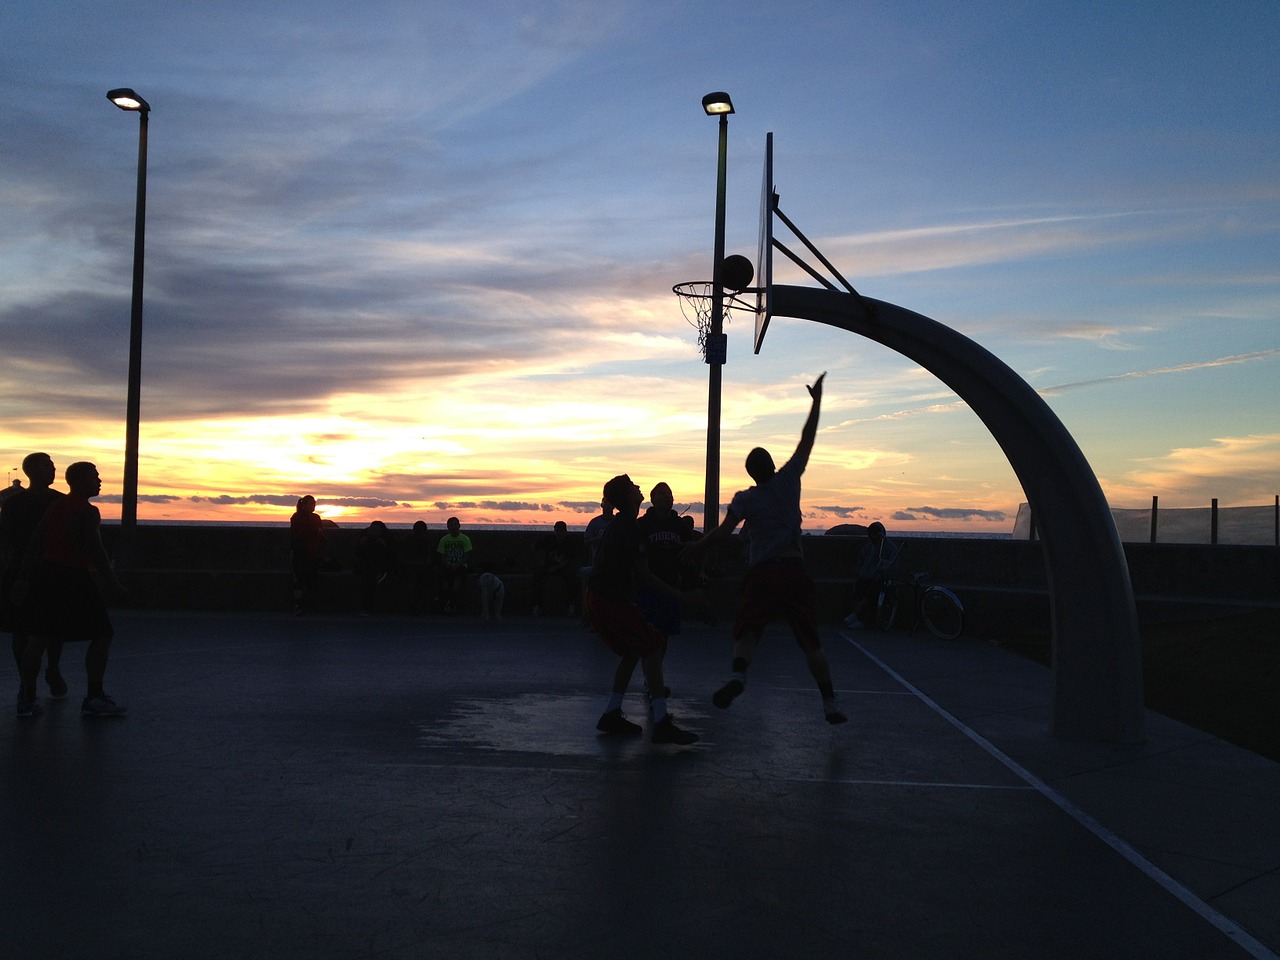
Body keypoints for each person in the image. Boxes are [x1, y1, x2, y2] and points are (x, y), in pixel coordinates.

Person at [683, 373, 847, 725]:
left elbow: (722, 534)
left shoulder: (746, 499)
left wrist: (696, 550)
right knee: (810, 641)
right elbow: (807, 440)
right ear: (773, 465)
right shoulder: (790, 479)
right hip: (793, 570)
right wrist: (816, 402)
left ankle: (739, 676)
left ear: (750, 473)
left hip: (761, 573)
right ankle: (830, 701)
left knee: (749, 630)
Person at [586, 473, 702, 745]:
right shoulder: (630, 528)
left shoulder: (622, 525)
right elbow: (644, 575)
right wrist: (682, 596)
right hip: (609, 601)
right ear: (629, 498)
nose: (639, 488)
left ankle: (612, 713)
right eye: (634, 487)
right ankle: (661, 722)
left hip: (601, 598)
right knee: (650, 647)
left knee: (632, 651)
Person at [12, 461, 126, 718]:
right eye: (94, 476)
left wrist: (23, 578)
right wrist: (113, 582)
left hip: (46, 576)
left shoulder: (55, 506)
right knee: (102, 633)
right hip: (74, 577)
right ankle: (94, 696)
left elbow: (35, 543)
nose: (99, 480)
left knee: (38, 637)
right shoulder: (87, 511)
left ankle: (26, 697)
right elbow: (96, 551)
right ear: (80, 480)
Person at [0, 452, 67, 696]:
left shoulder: (59, 501)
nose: (53, 470)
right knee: (22, 628)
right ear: (32, 471)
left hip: (52, 568)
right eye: (48, 466)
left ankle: (52, 668)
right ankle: (26, 680)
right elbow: (6, 540)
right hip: (25, 570)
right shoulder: (15, 504)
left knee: (54, 626)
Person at [636, 482, 699, 641]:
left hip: (672, 584)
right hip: (647, 588)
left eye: (669, 494)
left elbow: (689, 554)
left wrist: (692, 582)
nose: (667, 497)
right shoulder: (642, 525)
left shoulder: (680, 525)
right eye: (662, 493)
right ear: (653, 499)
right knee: (647, 634)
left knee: (664, 635)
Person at [847, 521, 900, 628]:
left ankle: (858, 616)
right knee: (858, 588)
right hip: (866, 576)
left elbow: (893, 565)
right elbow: (861, 561)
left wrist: (883, 569)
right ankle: (857, 616)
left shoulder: (890, 547)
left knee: (871, 591)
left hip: (881, 578)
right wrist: (860, 571)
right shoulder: (868, 547)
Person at [532, 520, 579, 616]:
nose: (559, 533)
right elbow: (534, 547)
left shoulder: (569, 543)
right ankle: (537, 605)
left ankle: (571, 605)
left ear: (565, 532)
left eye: (561, 531)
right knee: (536, 578)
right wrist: (540, 561)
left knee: (572, 579)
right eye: (557, 531)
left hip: (562, 567)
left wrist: (556, 568)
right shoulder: (549, 540)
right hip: (548, 565)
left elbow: (569, 560)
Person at [289, 495, 326, 615]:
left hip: (314, 552)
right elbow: (298, 534)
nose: (312, 506)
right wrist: (314, 532)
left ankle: (309, 604)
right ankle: (298, 605)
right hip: (300, 552)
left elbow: (320, 532)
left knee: (311, 579)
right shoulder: (297, 517)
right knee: (299, 579)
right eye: (310, 504)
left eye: (313, 503)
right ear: (303, 505)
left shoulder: (316, 517)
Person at [354, 520, 392, 616]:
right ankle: (367, 607)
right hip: (367, 566)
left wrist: (383, 545)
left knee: (371, 581)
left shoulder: (386, 539)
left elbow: (390, 556)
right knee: (369, 581)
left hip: (380, 566)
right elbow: (358, 554)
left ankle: (367, 607)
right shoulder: (364, 539)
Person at [435, 517, 472, 613]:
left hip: (461, 566)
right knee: (444, 580)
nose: (453, 527)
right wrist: (448, 564)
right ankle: (448, 601)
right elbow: (441, 555)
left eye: (455, 524)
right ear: (448, 527)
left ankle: (451, 602)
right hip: (447, 565)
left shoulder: (465, 539)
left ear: (459, 526)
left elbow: (467, 555)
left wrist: (458, 564)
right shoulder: (444, 539)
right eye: (451, 525)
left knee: (457, 579)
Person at [398, 520, 435, 614]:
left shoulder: (425, 540)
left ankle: (422, 603)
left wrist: (425, 562)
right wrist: (415, 563)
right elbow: (401, 558)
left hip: (421, 566)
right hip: (408, 566)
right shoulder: (405, 540)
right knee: (412, 580)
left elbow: (428, 555)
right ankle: (413, 605)